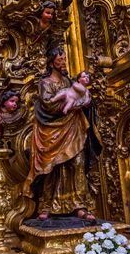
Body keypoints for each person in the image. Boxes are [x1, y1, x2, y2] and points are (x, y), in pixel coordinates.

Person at [22, 46, 100, 222]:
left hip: (73, 127)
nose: (64, 62)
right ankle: (47, 205)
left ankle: (79, 205)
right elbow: (48, 104)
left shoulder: (69, 82)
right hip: (51, 130)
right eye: (60, 59)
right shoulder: (45, 83)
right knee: (52, 166)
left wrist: (86, 103)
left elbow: (82, 95)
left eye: (64, 58)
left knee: (78, 162)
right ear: (51, 63)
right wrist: (74, 106)